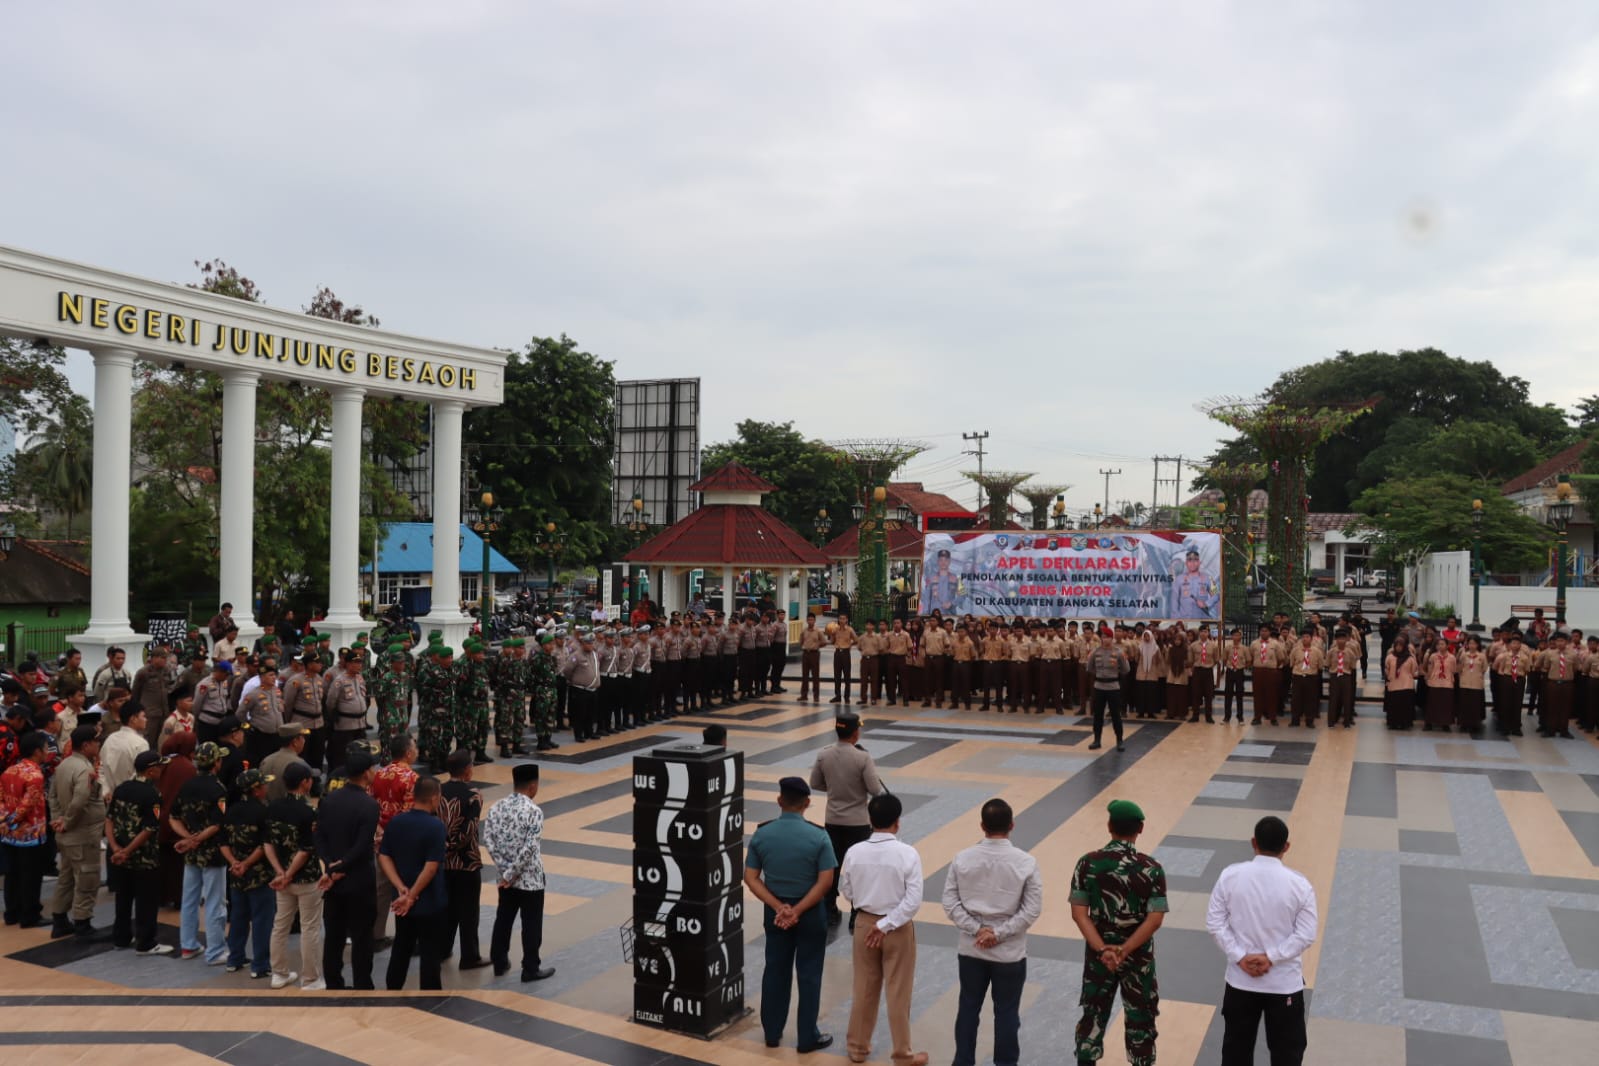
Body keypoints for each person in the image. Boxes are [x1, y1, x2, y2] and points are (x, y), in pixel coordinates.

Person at [1205, 816, 1318, 1066]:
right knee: (1287, 1055)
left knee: (1236, 1052)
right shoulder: (1300, 885)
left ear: (1253, 842)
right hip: (1284, 985)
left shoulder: (1230, 876)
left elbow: (1215, 923)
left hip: (1240, 981)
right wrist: (1272, 958)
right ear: (1286, 846)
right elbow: (1306, 934)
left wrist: (1240, 957)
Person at [942, 798, 1042, 1066]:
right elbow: (1031, 910)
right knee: (1007, 1013)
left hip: (971, 950)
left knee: (968, 1008)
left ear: (982, 826)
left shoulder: (962, 858)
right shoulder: (1026, 862)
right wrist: (998, 934)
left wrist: (977, 929)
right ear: (1012, 825)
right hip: (1009, 954)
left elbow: (950, 903)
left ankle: (963, 1061)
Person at [1070, 799, 1168, 1066]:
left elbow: (1079, 914)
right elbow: (1155, 919)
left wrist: (1103, 949)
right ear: (1141, 829)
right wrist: (1125, 950)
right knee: (1141, 1021)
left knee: (1093, 1017)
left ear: (1109, 826)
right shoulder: (1151, 868)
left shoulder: (1087, 864)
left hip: (1099, 958)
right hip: (1138, 958)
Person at [743, 776, 837, 1053]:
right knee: (809, 973)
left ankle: (772, 1033)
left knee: (775, 970)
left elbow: (750, 877)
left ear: (779, 801)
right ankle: (807, 1037)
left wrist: (778, 907)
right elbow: (826, 882)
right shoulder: (819, 836)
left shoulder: (762, 834)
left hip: (775, 914)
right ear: (807, 803)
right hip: (810, 913)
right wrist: (797, 910)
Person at [839, 793, 928, 1066]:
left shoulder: (854, 852)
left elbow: (846, 890)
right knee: (898, 992)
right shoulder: (908, 854)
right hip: (897, 928)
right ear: (897, 822)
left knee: (864, 988)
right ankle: (902, 1055)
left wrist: (872, 917)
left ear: (870, 819)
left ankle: (857, 1048)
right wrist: (886, 924)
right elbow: (913, 901)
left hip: (864, 924)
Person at [480, 762, 555, 981]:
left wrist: (505, 871)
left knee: (503, 918)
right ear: (533, 786)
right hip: (530, 879)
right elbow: (530, 847)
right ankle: (530, 967)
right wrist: (513, 872)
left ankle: (499, 960)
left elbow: (487, 840)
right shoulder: (533, 811)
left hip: (505, 880)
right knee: (531, 924)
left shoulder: (496, 807)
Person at [809, 713, 883, 925]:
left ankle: (829, 907)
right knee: (858, 867)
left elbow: (815, 783)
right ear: (855, 733)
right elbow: (875, 789)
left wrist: (834, 788)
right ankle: (856, 911)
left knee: (832, 865)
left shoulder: (824, 754)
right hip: (858, 822)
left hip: (833, 820)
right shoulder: (863, 757)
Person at [316, 751, 380, 990]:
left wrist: (330, 866)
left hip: (334, 880)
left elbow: (319, 836)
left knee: (334, 936)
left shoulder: (329, 800)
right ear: (366, 773)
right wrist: (342, 865)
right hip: (359, 879)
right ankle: (363, 983)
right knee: (362, 937)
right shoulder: (369, 805)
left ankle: (333, 982)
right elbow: (362, 844)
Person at [379, 774, 448, 990]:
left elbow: (384, 856)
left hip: (401, 901)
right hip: (429, 900)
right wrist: (413, 895)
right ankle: (430, 994)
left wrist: (401, 888)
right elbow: (431, 867)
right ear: (434, 798)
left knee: (401, 946)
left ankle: (392, 988)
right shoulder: (435, 826)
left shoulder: (397, 822)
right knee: (430, 952)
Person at [106, 750, 173, 955]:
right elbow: (149, 828)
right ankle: (146, 943)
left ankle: (121, 937)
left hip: (119, 855)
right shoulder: (152, 795)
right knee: (146, 901)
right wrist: (128, 851)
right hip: (144, 858)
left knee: (123, 898)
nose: (162, 770)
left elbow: (109, 819)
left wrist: (116, 848)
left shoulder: (121, 788)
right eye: (160, 767)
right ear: (151, 771)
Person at [265, 761, 324, 990]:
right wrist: (289, 874)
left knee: (280, 925)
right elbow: (306, 849)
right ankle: (310, 979)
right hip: (306, 878)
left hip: (280, 879)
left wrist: (280, 872)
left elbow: (267, 843)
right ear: (304, 783)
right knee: (310, 928)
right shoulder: (308, 811)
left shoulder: (273, 807)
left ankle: (278, 974)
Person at [171, 740, 230, 963]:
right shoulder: (218, 789)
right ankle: (215, 951)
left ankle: (188, 945)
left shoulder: (187, 786)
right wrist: (197, 839)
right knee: (215, 902)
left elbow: (173, 817)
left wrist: (188, 839)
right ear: (216, 763)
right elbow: (217, 823)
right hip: (213, 853)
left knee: (189, 899)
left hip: (192, 854)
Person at [47, 725, 105, 939]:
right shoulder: (84, 769)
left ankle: (60, 920)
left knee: (66, 878)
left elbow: (52, 795)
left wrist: (58, 819)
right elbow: (80, 799)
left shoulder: (64, 765)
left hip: (66, 835)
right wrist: (68, 821)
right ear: (86, 745)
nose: (99, 745)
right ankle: (83, 924)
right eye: (96, 741)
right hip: (82, 834)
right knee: (87, 878)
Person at [438, 748, 491, 970]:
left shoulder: (438, 790)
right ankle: (469, 956)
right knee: (469, 912)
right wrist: (453, 847)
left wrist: (443, 850)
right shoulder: (473, 794)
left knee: (447, 908)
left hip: (442, 862)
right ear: (468, 769)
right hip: (466, 861)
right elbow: (469, 830)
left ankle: (443, 949)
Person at [222, 768, 276, 977]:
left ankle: (234, 958)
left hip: (236, 875)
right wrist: (246, 863)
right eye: (264, 784)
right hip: (259, 875)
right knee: (262, 920)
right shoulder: (264, 812)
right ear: (256, 790)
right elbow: (264, 845)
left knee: (238, 916)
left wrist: (235, 863)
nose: (267, 787)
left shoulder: (231, 811)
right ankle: (260, 965)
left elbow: (223, 843)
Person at [371, 734, 420, 947]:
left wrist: (380, 831)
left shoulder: (378, 774)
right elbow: (410, 814)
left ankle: (376, 935)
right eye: (415, 748)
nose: (417, 751)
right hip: (403, 842)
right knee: (407, 888)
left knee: (380, 889)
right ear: (408, 753)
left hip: (381, 840)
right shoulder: (412, 778)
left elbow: (372, 805)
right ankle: (409, 937)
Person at [1, 733, 52, 927]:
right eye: (45, 748)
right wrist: (14, 820)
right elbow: (27, 805)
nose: (47, 752)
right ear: (37, 751)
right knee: (31, 875)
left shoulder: (9, 771)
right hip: (30, 833)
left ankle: (11, 913)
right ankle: (30, 915)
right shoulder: (35, 775)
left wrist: (5, 821)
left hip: (8, 833)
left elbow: (1, 800)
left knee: (12, 873)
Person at [1084, 628, 1130, 751]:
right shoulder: (1095, 652)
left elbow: (1126, 669)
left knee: (1116, 715)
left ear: (1111, 638)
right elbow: (1089, 668)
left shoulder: (1118, 652)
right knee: (1098, 715)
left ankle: (1119, 740)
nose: (1105, 639)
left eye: (1107, 637)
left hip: (1113, 687)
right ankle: (1097, 740)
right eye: (1103, 637)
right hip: (1099, 686)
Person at [830, 614, 859, 704]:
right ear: (838, 620)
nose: (842, 620)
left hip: (846, 653)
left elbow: (856, 640)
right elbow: (832, 641)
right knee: (837, 676)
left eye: (844, 619)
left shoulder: (850, 630)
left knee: (847, 676)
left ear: (846, 620)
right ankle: (837, 695)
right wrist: (832, 635)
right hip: (837, 653)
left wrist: (850, 645)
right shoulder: (835, 629)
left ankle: (847, 696)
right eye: (840, 618)